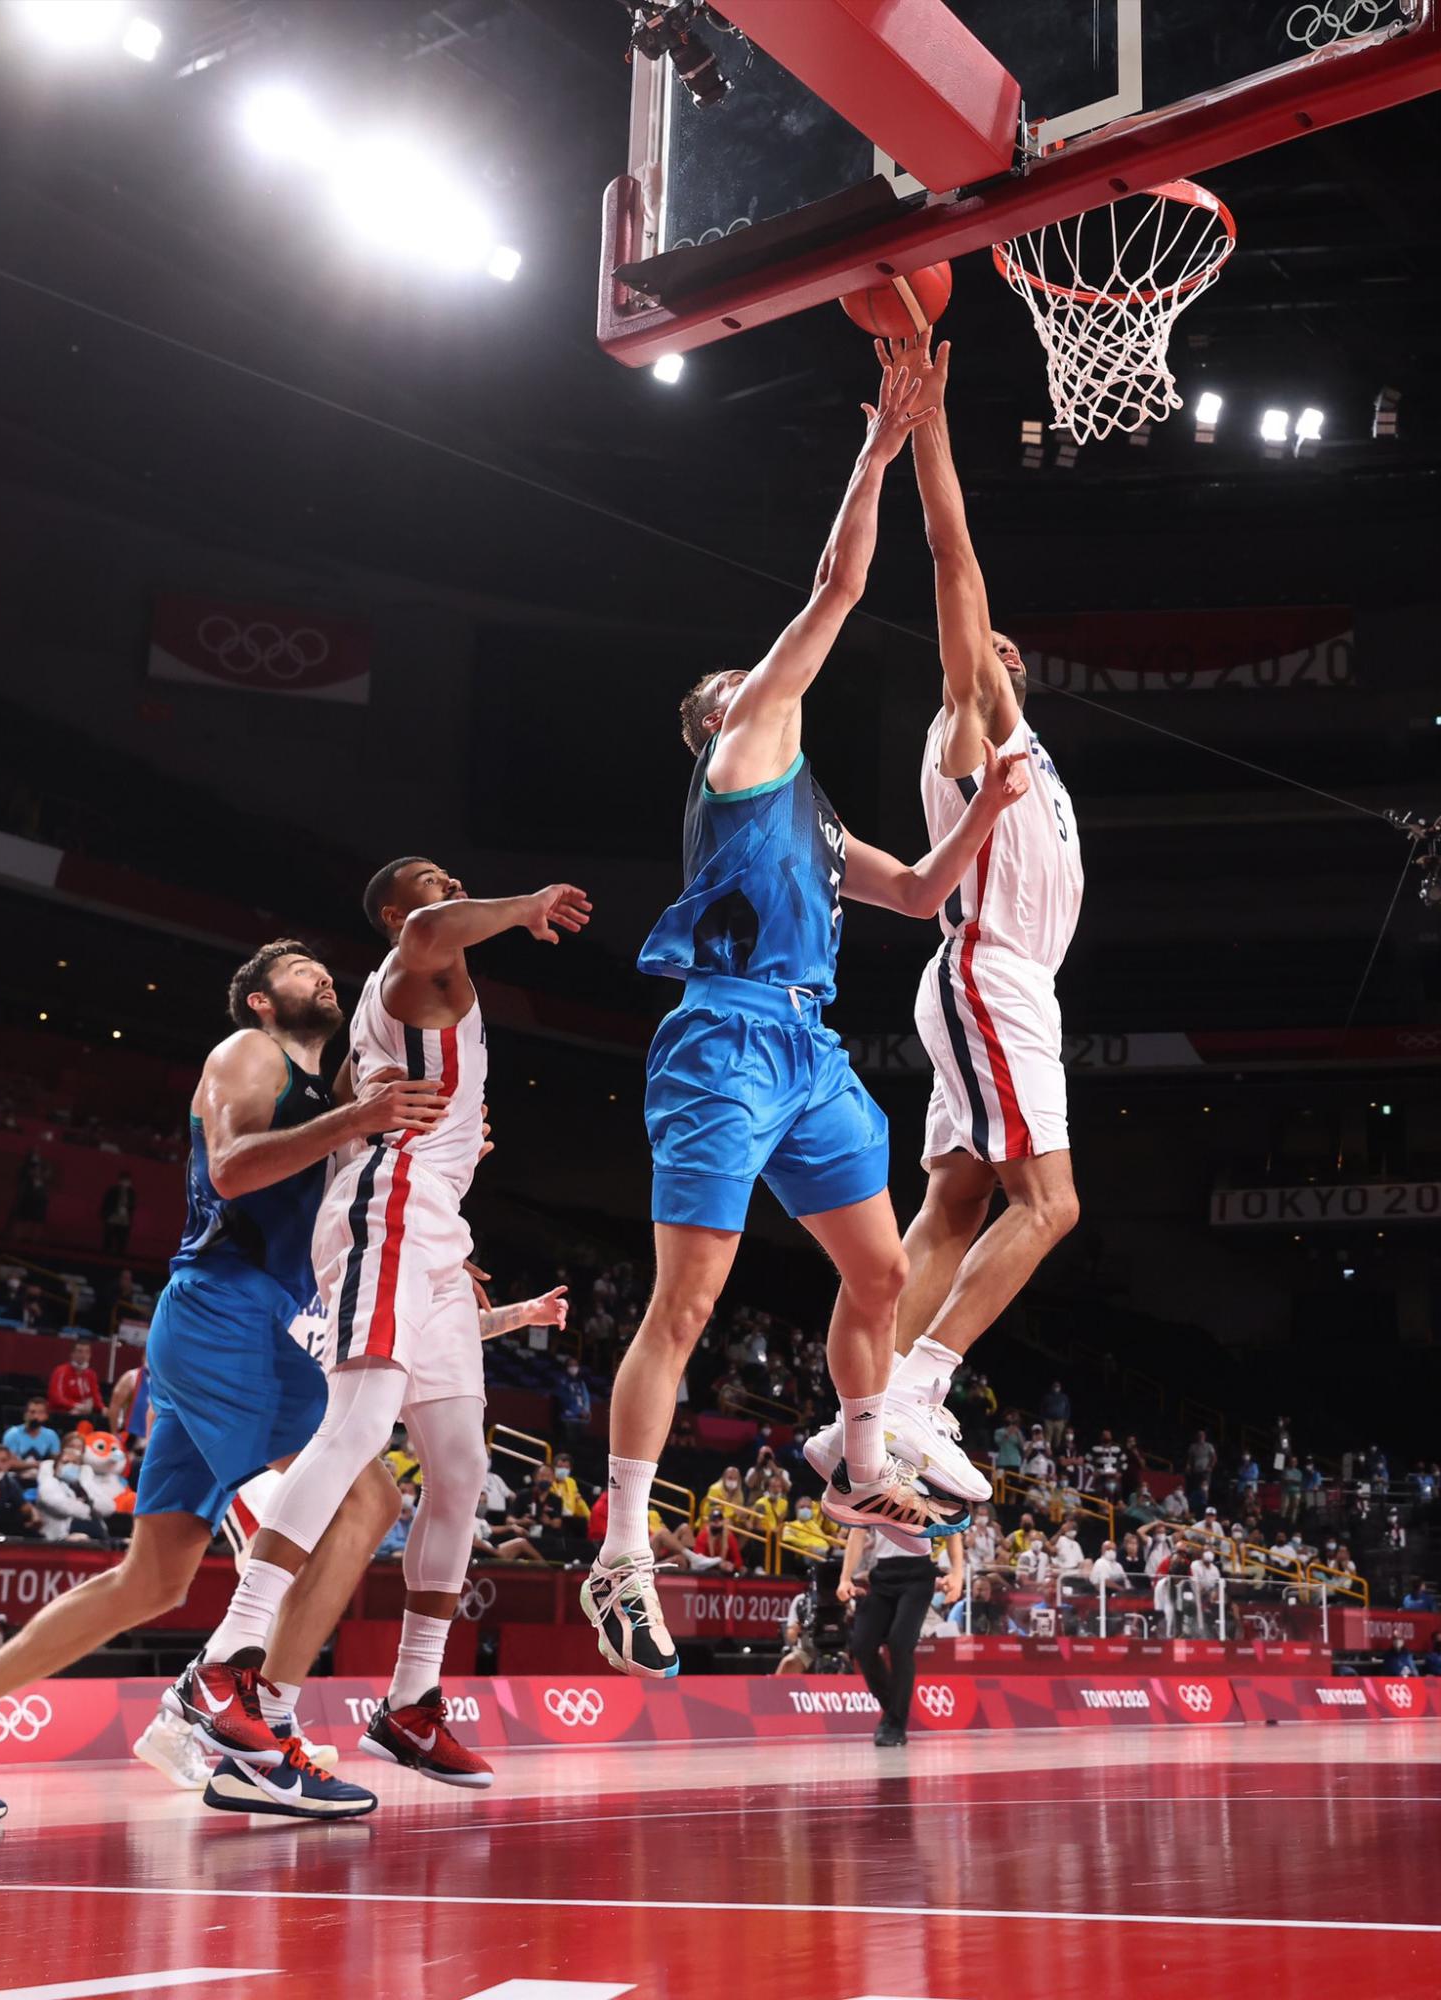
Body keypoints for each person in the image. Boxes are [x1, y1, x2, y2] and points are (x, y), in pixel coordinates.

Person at [588, 347, 1030, 1679]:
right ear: (713, 722)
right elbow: (838, 586)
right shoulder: (740, 752)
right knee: (687, 1304)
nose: (765, 681)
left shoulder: (816, 817)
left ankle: (860, 1463)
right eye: (743, 680)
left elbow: (922, 893)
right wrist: (880, 449)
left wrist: (988, 813)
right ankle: (622, 1553)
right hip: (722, 1035)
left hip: (809, 1047)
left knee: (882, 1274)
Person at [0, 939, 434, 1827]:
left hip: (243, 1322)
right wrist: (358, 1118)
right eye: (296, 969)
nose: (320, 973)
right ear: (260, 1000)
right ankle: (255, 1733)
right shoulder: (250, 1053)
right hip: (222, 1312)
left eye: (323, 966)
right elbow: (232, 1168)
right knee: (367, 1500)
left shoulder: (329, 1097)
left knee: (152, 1582)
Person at [181, 863, 586, 1798]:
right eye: (430, 881)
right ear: (401, 914)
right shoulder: (414, 960)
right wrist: (524, 908)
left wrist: (454, 1143)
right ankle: (227, 1658)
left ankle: (410, 1702)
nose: (451, 883)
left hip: (435, 1217)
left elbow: (365, 1105)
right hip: (391, 1204)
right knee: (360, 1425)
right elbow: (434, 930)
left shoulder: (418, 999)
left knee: (462, 1468)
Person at [806, 330, 1082, 1514]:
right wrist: (929, 423)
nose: (995, 646)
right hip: (988, 971)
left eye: (1007, 648)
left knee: (954, 1202)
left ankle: (857, 1421)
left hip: (1004, 981)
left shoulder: (1027, 748)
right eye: (983, 644)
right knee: (1051, 1204)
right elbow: (951, 551)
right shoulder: (964, 728)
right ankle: (921, 1388)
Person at [841, 1523, 963, 1748]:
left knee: (900, 1643)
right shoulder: (872, 1499)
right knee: (862, 1645)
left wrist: (957, 1574)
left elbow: (952, 1530)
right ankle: (893, 1711)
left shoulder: (928, 1498)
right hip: (883, 1575)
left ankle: (895, 1724)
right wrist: (845, 1577)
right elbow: (857, 1532)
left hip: (918, 1575)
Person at [47, 1341, 105, 1421]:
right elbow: (56, 1397)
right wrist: (76, 1406)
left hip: (84, 1416)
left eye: (87, 1352)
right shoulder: (61, 1371)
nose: (83, 1355)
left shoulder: (91, 1374)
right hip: (62, 1415)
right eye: (80, 1351)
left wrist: (102, 1408)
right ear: (72, 1354)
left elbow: (95, 1395)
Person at [2, 1398, 62, 1465]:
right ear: (25, 1414)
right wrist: (36, 1465)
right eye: (32, 1412)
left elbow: (56, 1461)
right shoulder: (12, 1434)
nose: (36, 1416)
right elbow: (7, 1463)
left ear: (46, 1416)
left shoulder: (51, 1435)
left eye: (40, 1413)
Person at [101, 1172, 137, 1256]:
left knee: (122, 1238)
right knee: (109, 1237)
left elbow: (132, 1205)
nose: (126, 1183)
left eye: (128, 1181)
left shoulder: (131, 1192)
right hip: (113, 1216)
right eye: (125, 1181)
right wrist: (106, 1215)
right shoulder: (113, 1190)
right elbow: (107, 1203)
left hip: (124, 1218)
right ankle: (106, 1254)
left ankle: (120, 1254)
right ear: (120, 1181)